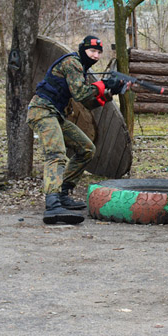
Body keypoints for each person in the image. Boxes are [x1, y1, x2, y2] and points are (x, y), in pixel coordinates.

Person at [27, 36, 125, 225]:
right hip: (42, 111)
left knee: (86, 148)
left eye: (98, 53)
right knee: (55, 153)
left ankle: (63, 192)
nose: (95, 56)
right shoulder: (72, 63)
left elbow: (88, 102)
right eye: (92, 52)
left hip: (56, 114)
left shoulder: (82, 69)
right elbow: (80, 94)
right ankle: (52, 203)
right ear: (83, 50)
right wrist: (104, 85)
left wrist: (110, 91)